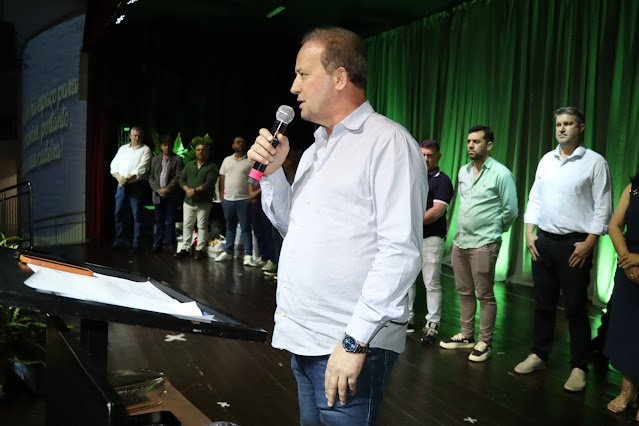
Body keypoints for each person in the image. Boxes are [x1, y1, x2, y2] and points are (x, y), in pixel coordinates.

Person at [247, 27, 428, 425]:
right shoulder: (315, 150)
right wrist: (273, 175)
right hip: (305, 337)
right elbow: (294, 229)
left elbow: (400, 253)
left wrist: (354, 341)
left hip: (348, 344)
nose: (294, 87)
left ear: (340, 77)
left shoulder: (388, 143)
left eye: (303, 74)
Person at [514, 106, 612, 392]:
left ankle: (579, 366)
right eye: (559, 124)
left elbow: (603, 206)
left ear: (580, 128)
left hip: (575, 244)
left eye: (568, 124)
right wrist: (529, 232)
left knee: (575, 308)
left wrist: (590, 242)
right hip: (544, 241)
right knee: (543, 303)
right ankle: (539, 354)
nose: (562, 128)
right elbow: (535, 197)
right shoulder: (547, 160)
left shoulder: (595, 162)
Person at [439, 125, 518, 363]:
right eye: (469, 141)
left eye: (476, 141)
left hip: (484, 244)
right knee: (463, 291)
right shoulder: (463, 171)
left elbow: (511, 210)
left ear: (489, 145)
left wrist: (493, 230)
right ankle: (466, 335)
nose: (471, 145)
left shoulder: (501, 173)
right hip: (461, 241)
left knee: (484, 294)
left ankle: (485, 341)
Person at [406, 140, 454, 344]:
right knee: (407, 281)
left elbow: (437, 211)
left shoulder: (443, 180)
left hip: (431, 237)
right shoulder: (411, 175)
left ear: (438, 156)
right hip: (410, 237)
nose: (426, 159)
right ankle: (407, 319)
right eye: (423, 154)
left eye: (430, 155)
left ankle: (432, 325)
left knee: (431, 283)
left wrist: (411, 222)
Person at [604, 171, 639, 420]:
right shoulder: (633, 188)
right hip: (628, 265)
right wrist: (628, 260)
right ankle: (627, 391)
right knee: (627, 330)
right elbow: (614, 226)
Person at [174, 140, 219, 260]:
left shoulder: (212, 167)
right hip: (189, 201)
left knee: (202, 226)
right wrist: (187, 189)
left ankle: (200, 249)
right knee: (187, 225)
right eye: (198, 150)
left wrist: (194, 190)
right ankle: (185, 248)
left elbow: (209, 183)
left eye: (203, 150)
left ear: (207, 152)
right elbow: (181, 179)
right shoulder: (190, 165)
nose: (200, 152)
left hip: (204, 202)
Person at [109, 126, 152, 252]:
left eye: (139, 136)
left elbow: (141, 169)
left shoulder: (145, 149)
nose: (136, 138)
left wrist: (125, 179)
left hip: (136, 186)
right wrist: (119, 179)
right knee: (118, 213)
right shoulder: (123, 149)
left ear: (142, 137)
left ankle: (137, 244)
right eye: (134, 135)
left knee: (137, 215)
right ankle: (119, 241)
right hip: (121, 185)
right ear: (130, 136)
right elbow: (114, 165)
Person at [215, 137, 253, 265]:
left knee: (245, 227)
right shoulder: (227, 160)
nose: (240, 144)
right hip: (228, 200)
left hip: (243, 199)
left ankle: (248, 254)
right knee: (229, 226)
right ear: (233, 145)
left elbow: (254, 179)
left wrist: (251, 196)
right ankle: (228, 251)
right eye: (237, 142)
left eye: (242, 142)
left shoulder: (249, 161)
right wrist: (221, 196)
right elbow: (222, 178)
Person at [148, 134, 183, 253]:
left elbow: (178, 177)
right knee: (159, 220)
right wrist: (158, 190)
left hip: (171, 195)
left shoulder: (177, 159)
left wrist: (166, 189)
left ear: (172, 146)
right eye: (164, 145)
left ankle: (168, 244)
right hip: (158, 195)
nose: (167, 147)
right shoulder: (155, 159)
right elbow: (151, 177)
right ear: (161, 146)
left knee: (170, 221)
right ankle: (157, 243)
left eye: (169, 145)